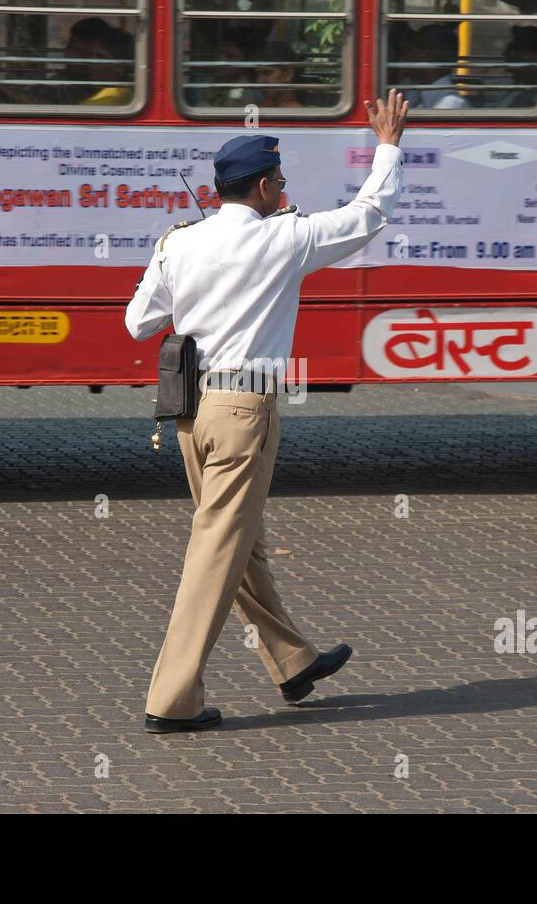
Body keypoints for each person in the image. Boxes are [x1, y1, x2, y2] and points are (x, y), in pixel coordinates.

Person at [125, 89, 409, 733]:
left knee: (238, 541)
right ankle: (172, 700)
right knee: (216, 551)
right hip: (245, 409)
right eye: (279, 181)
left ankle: (292, 661)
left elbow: (140, 323)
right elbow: (369, 213)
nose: (284, 190)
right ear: (258, 188)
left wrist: (191, 285)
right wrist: (387, 144)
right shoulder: (285, 239)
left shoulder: (179, 241)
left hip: (191, 414)